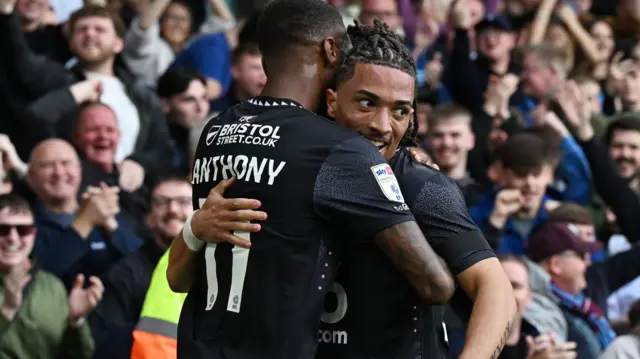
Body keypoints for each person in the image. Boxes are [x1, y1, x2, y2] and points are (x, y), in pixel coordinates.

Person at [187, 19, 516, 359]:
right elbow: (180, 277)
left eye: (400, 110)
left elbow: (496, 291)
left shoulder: (420, 185)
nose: (382, 126)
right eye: (366, 103)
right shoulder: (288, 165)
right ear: (331, 101)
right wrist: (195, 228)